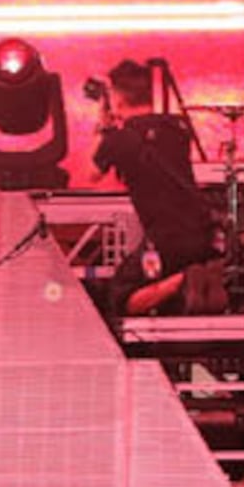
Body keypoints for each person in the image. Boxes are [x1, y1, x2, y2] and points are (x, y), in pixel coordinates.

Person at [88, 61, 220, 316]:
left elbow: (90, 174)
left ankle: (184, 280)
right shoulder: (176, 129)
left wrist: (103, 127)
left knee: (119, 297)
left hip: (165, 240)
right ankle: (190, 279)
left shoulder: (119, 139)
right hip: (200, 231)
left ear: (116, 98)